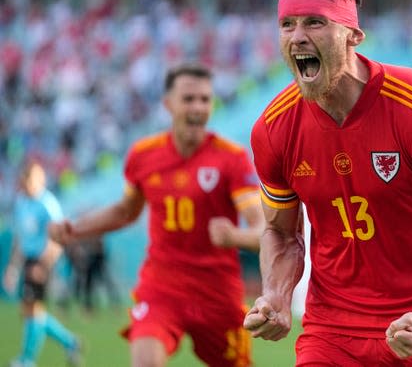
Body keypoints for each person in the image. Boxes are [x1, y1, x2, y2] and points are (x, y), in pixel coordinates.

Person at [243, 0, 412, 366]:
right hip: (332, 330)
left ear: (353, 37)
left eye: (315, 22)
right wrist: (276, 294)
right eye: (287, 25)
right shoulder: (274, 129)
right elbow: (280, 232)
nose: (298, 36)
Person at [49, 63, 266, 367]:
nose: (198, 107)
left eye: (205, 99)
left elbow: (263, 230)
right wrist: (76, 229)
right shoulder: (143, 154)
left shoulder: (232, 158)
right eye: (189, 99)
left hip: (217, 291)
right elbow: (125, 211)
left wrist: (235, 236)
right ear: (168, 104)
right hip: (162, 286)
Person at [3, 159, 82, 367]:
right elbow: (20, 239)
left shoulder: (47, 204)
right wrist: (13, 267)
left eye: (31, 179)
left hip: (42, 261)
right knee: (30, 312)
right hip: (29, 260)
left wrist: (43, 264)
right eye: (25, 178)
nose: (27, 183)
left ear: (40, 180)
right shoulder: (21, 202)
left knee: (33, 310)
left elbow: (58, 238)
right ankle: (70, 342)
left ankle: (27, 360)